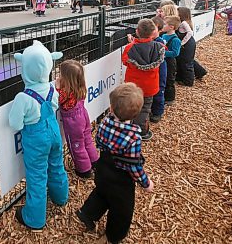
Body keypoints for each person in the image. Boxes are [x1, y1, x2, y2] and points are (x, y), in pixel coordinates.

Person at [76, 83, 154, 244]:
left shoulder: (105, 122)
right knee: (122, 210)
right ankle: (113, 236)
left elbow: (98, 141)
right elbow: (133, 165)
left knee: (102, 192)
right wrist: (145, 183)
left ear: (111, 108)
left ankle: (88, 213)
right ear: (135, 114)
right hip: (121, 181)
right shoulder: (133, 136)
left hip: (103, 169)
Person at [8, 40, 69, 231]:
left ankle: (34, 219)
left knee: (36, 177)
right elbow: (55, 106)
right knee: (57, 165)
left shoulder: (23, 97)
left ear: (25, 68)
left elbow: (15, 124)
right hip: (53, 133)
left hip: (36, 139)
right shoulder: (52, 88)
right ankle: (61, 197)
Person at [122, 19, 165, 140]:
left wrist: (132, 43)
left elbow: (125, 61)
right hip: (149, 86)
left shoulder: (129, 48)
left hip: (133, 86)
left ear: (137, 31)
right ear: (153, 33)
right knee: (145, 108)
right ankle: (142, 132)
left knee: (131, 106)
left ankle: (130, 129)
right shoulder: (159, 46)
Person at [56, 60, 99, 178]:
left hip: (73, 122)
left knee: (76, 145)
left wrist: (58, 87)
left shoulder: (66, 93)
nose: (59, 76)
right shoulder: (80, 87)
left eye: (61, 75)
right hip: (83, 115)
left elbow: (59, 99)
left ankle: (84, 170)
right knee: (87, 140)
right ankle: (95, 161)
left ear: (67, 79)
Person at [150, 16, 168, 123]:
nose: (151, 30)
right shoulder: (150, 41)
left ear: (159, 29)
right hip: (153, 69)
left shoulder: (159, 41)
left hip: (160, 68)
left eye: (154, 28)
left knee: (159, 90)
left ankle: (158, 112)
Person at [175, 7, 199, 86]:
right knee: (184, 61)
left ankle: (189, 81)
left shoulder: (184, 23)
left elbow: (190, 32)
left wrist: (182, 42)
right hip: (188, 43)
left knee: (187, 63)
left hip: (187, 44)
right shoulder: (184, 22)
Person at [162, 16, 182, 105]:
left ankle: (170, 98)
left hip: (170, 62)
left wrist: (163, 53)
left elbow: (175, 53)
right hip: (163, 61)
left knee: (169, 79)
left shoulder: (176, 40)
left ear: (171, 27)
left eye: (165, 24)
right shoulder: (163, 35)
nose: (163, 25)